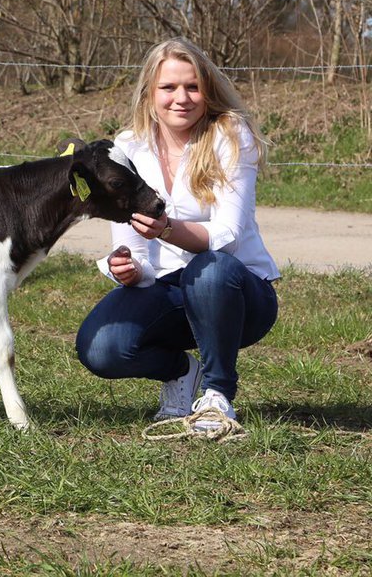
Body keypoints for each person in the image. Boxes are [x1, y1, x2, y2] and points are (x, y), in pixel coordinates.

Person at [75, 38, 279, 429]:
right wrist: (128, 268)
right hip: (168, 291)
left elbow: (228, 236)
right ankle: (181, 372)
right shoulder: (129, 147)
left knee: (209, 268)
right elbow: (135, 248)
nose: (181, 98)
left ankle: (217, 395)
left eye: (192, 86)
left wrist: (168, 229)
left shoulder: (230, 135)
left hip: (238, 294)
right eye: (168, 87)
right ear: (150, 93)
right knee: (100, 348)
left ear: (208, 90)